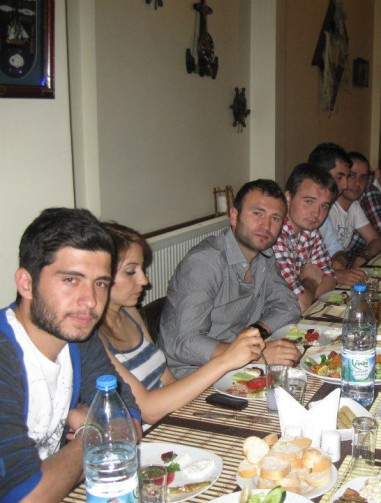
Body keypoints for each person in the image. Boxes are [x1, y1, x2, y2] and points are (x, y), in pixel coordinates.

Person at [0, 208, 141, 502]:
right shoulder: (5, 358)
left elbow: (128, 418)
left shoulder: (77, 337)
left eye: (100, 283)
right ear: (26, 283)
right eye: (70, 280)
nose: (90, 301)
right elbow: (27, 497)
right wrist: (92, 432)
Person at [100, 223, 265, 424]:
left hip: (170, 419)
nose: (144, 280)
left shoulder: (129, 312)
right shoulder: (93, 339)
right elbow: (147, 410)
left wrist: (199, 411)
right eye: (130, 271)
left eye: (141, 269)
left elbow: (167, 379)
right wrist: (226, 360)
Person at [159, 180, 301, 378]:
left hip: (236, 366)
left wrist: (254, 333)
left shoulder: (264, 257)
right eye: (258, 213)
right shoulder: (204, 262)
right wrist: (254, 355)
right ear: (234, 216)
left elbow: (288, 306)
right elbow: (186, 343)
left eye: (275, 218)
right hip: (192, 376)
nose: (266, 226)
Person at [308, 143, 378, 286]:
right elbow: (300, 273)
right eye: (340, 177)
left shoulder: (324, 210)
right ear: (320, 175)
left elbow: (337, 250)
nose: (346, 185)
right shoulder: (302, 215)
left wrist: (340, 261)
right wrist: (335, 276)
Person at [273, 164, 338, 313]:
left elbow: (330, 280)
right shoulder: (275, 234)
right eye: (309, 201)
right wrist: (311, 281)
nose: (316, 213)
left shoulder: (310, 231)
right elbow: (298, 304)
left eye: (324, 206)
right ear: (288, 198)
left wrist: (306, 293)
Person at [334, 151, 381, 266]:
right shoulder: (328, 208)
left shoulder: (354, 206)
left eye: (363, 178)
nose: (357, 183)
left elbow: (378, 241)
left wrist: (363, 257)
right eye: (352, 176)